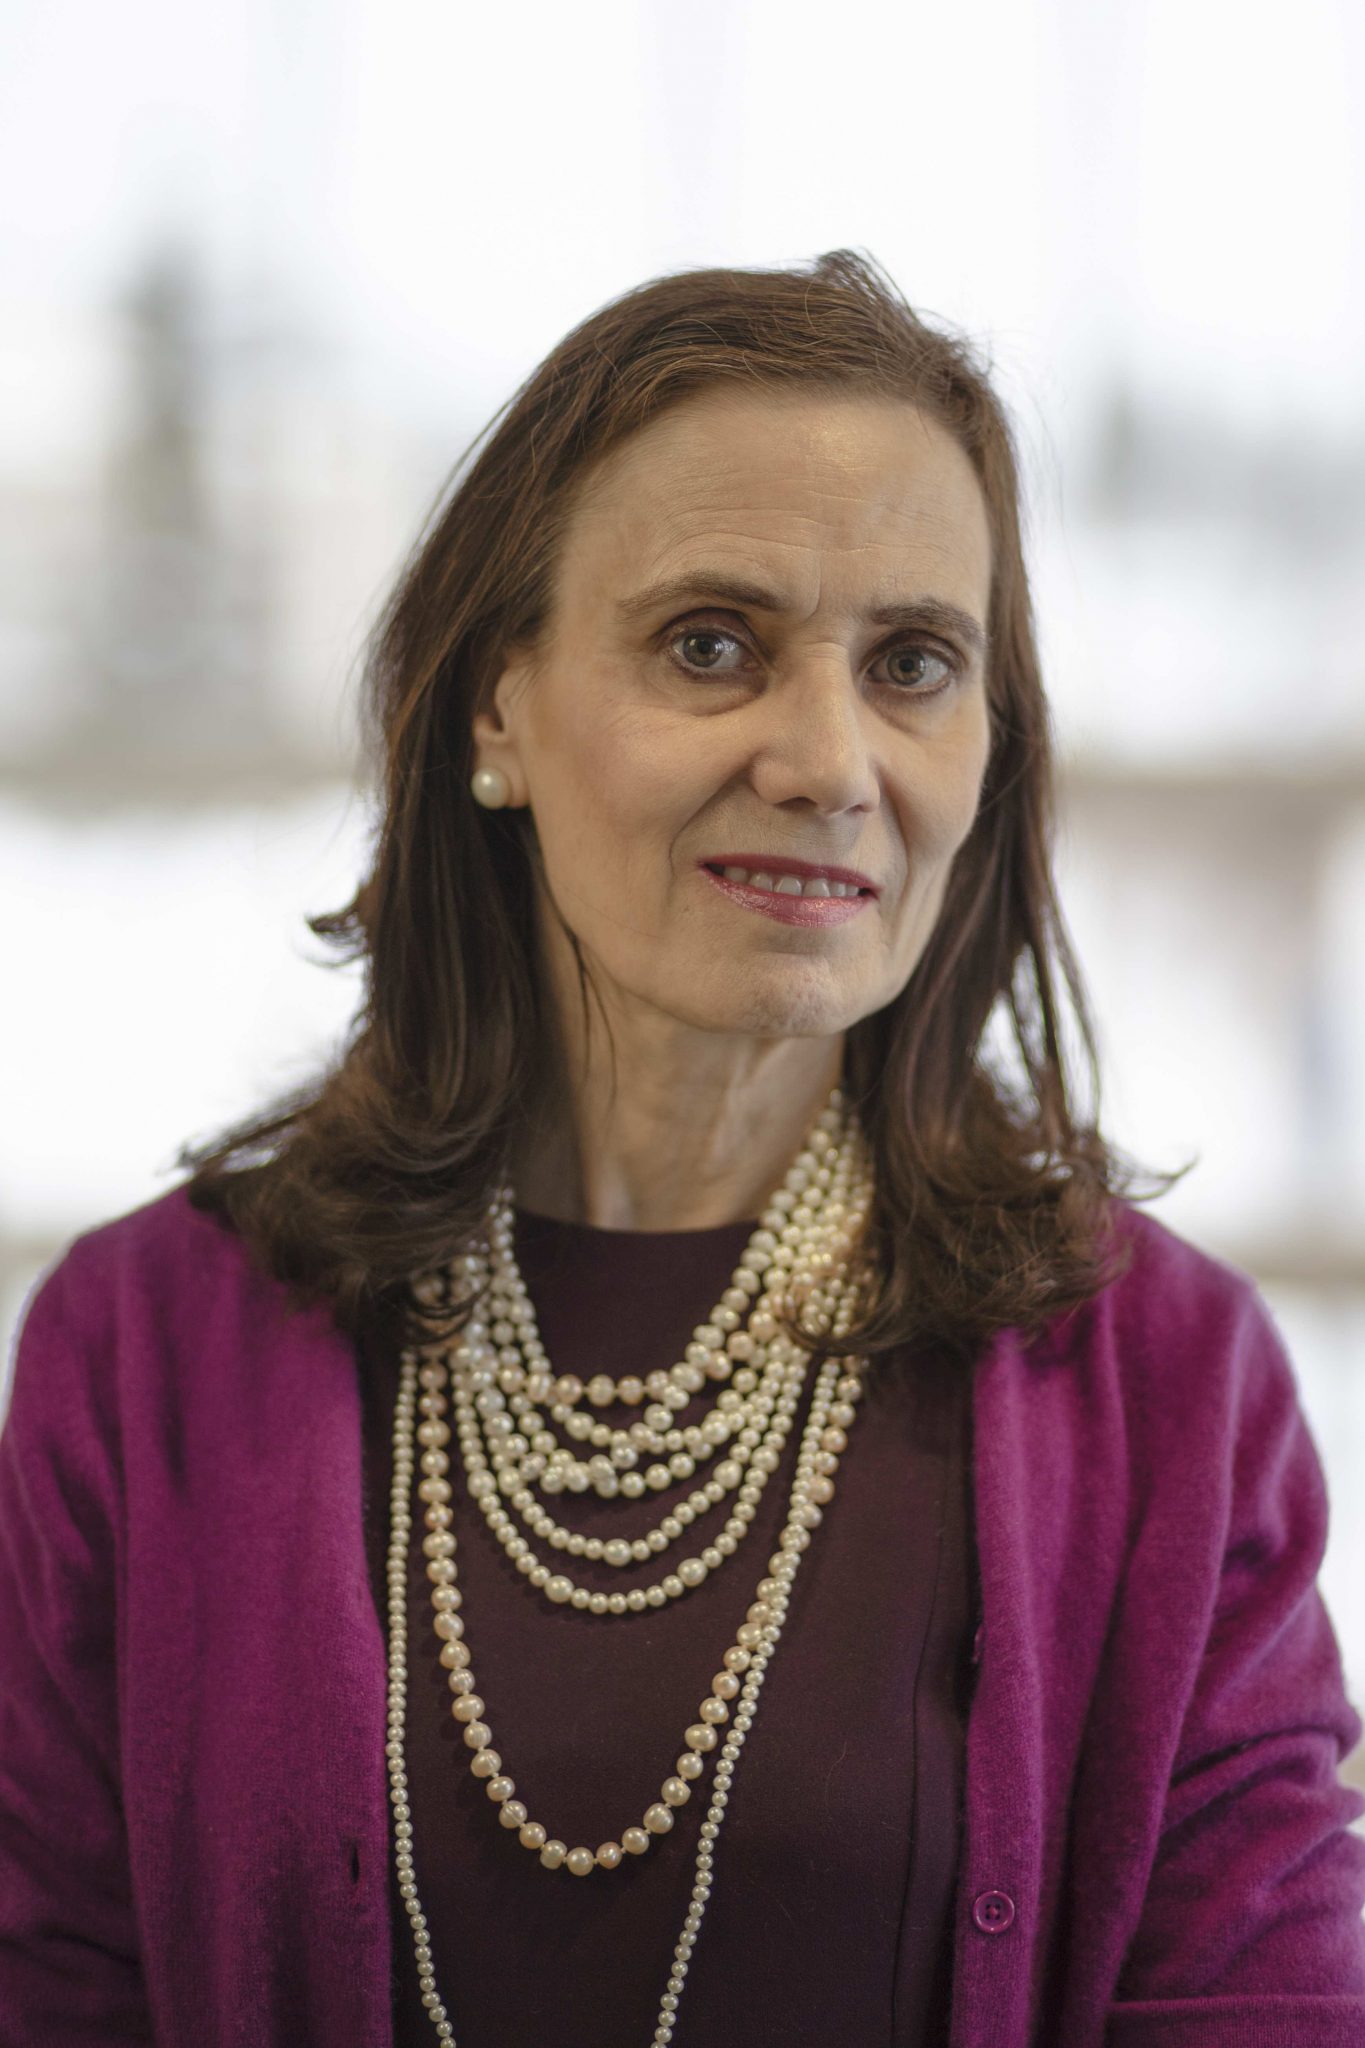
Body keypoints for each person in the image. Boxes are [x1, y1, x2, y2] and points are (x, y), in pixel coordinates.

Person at [1, 249, 1362, 2048]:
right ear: (496, 707)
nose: (827, 761)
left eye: (912, 664)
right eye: (710, 645)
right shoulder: (140, 1352)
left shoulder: (1164, 1383)